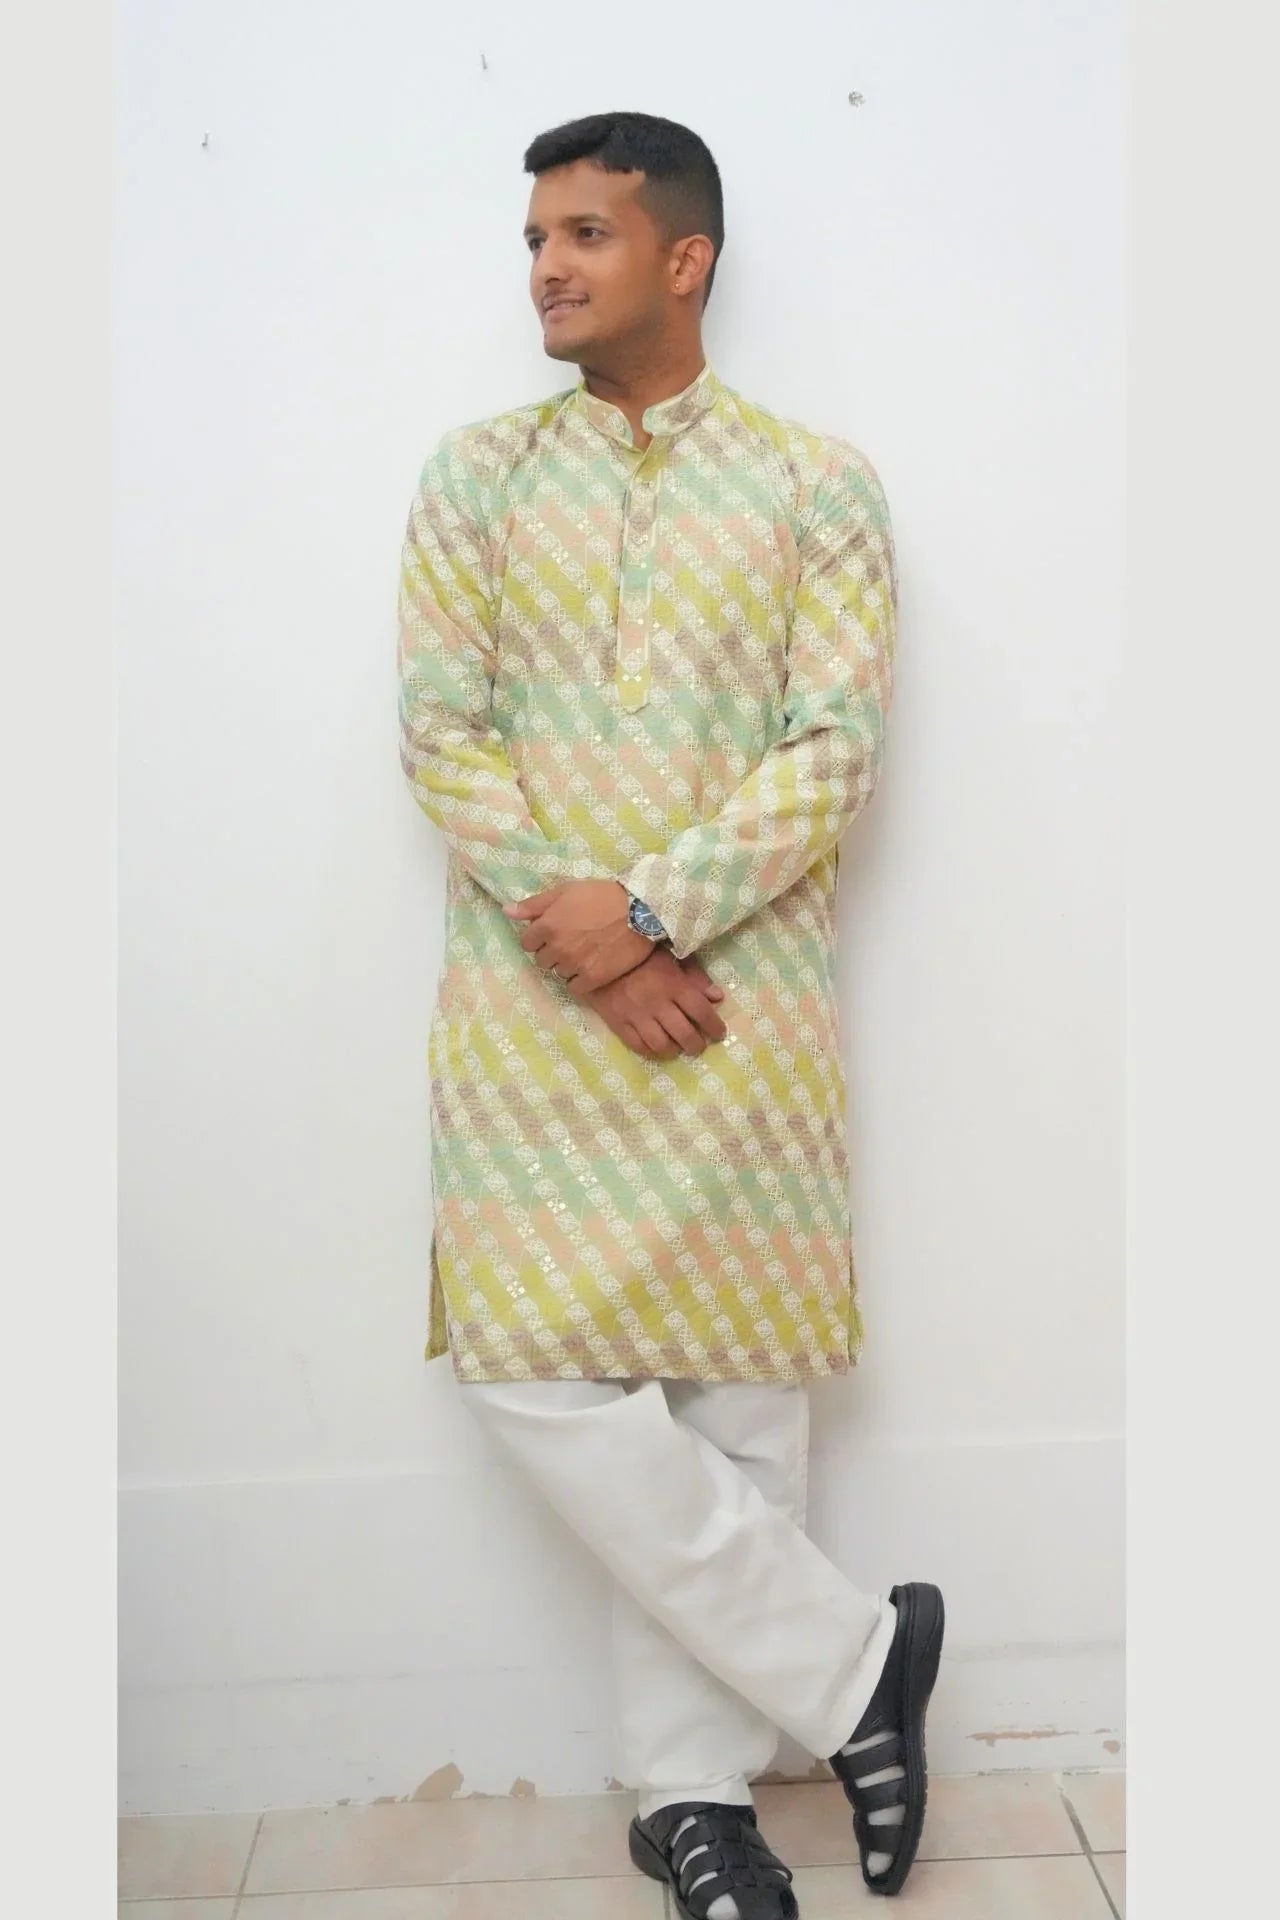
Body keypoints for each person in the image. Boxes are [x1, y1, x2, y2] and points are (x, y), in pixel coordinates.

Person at [395, 110, 944, 1915]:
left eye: (584, 234)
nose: (544, 267)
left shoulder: (815, 485)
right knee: (529, 1364)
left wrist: (650, 913)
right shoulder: (478, 480)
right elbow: (441, 733)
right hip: (532, 999)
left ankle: (693, 1807)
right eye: (533, 239)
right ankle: (860, 1672)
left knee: (736, 1403)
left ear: (683, 258)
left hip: (742, 996)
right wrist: (591, 937)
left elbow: (833, 750)